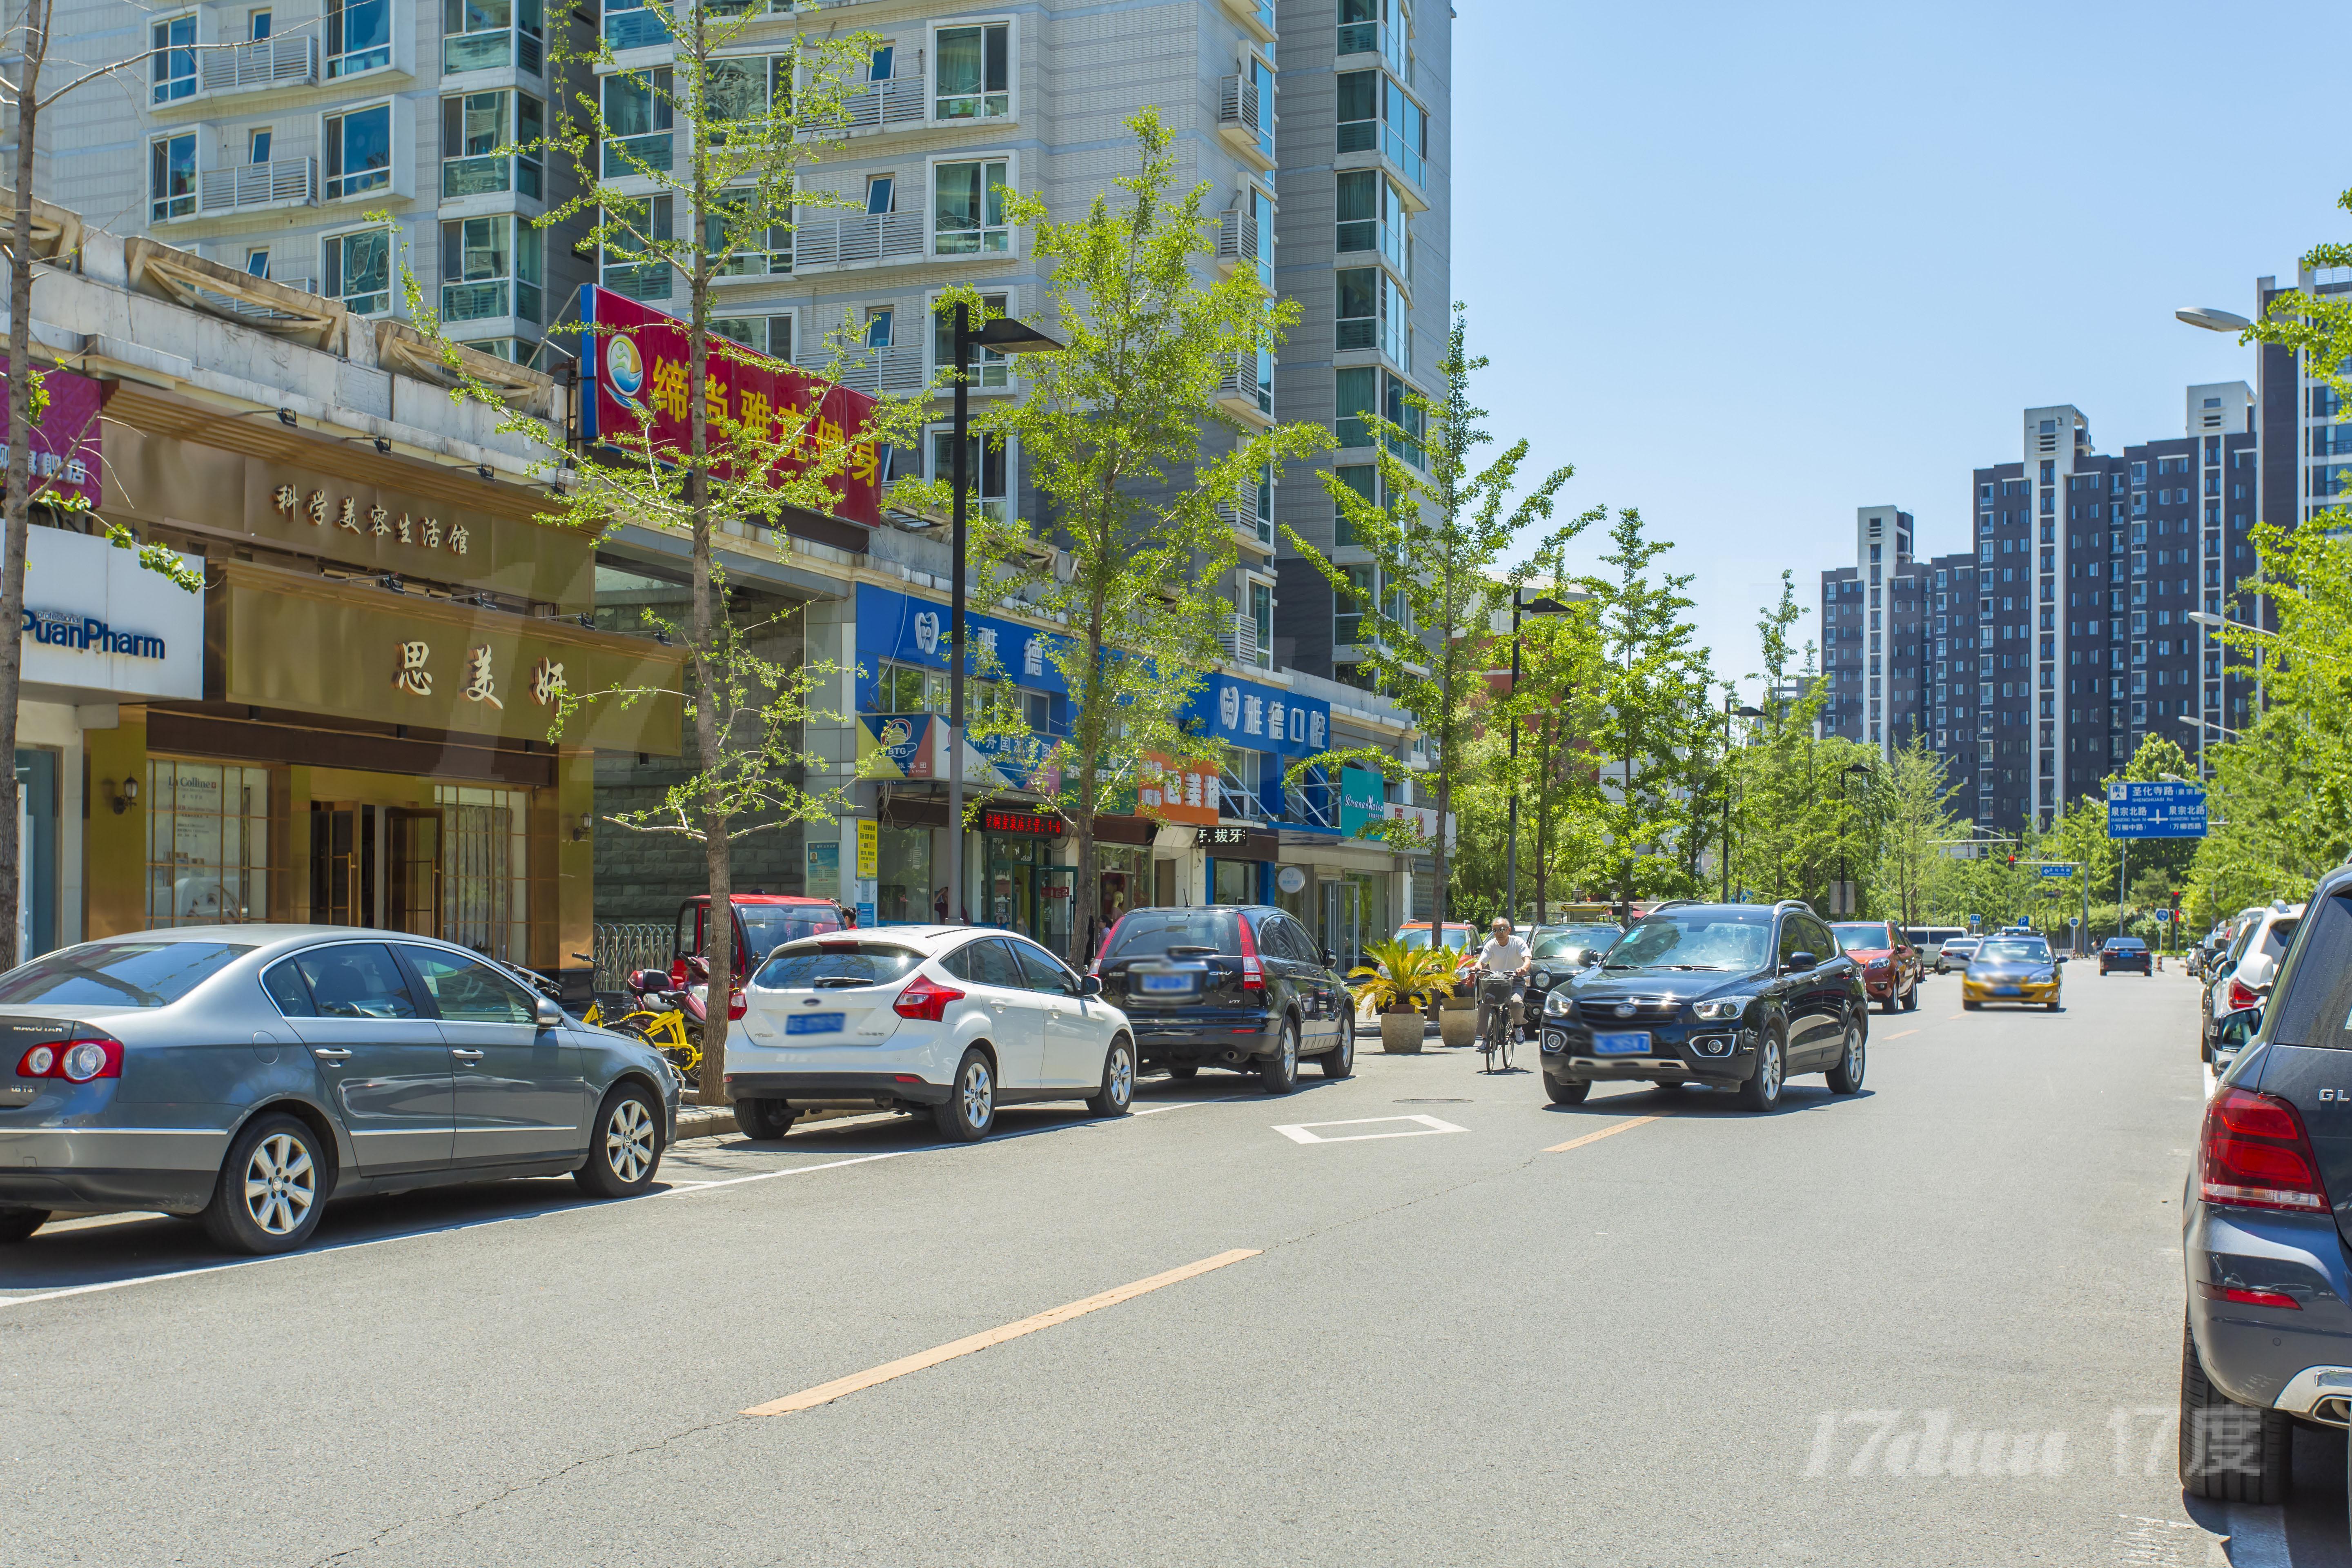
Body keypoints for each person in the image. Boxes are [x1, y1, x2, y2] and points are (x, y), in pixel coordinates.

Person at [1474, 916, 1532, 1045]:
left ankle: (1517, 1027)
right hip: (1496, 982)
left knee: (1516, 1003)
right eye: (1495, 930)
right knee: (1484, 1005)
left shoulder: (1518, 942)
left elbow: (1527, 961)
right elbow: (1482, 961)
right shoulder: (1491, 945)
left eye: (1501, 930)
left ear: (1509, 930)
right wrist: (1478, 966)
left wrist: (1523, 968)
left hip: (1515, 981)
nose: (1498, 933)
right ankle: (1485, 1040)